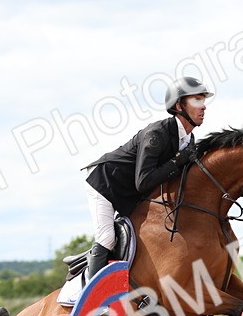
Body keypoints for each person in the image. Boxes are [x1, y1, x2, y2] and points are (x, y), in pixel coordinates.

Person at [81, 76, 212, 281]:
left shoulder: (188, 140)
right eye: (197, 100)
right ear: (179, 106)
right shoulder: (156, 133)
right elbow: (143, 181)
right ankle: (94, 294)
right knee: (107, 238)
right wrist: (177, 161)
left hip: (129, 190)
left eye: (203, 100)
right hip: (104, 182)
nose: (203, 106)